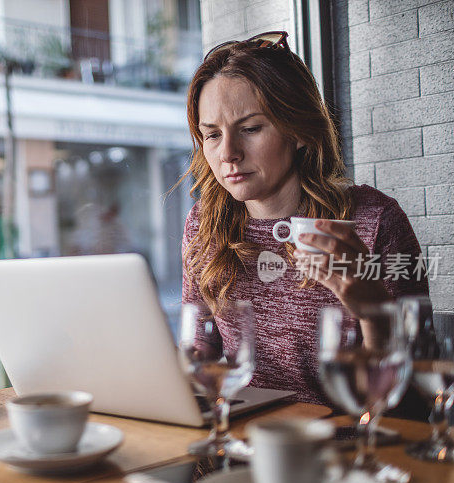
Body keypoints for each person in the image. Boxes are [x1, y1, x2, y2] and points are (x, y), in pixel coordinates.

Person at [178, 32, 429, 408]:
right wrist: (186, 363)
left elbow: (415, 399)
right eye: (212, 135)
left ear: (295, 130)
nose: (228, 153)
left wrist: (375, 315)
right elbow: (202, 346)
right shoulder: (204, 225)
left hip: (344, 452)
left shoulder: (373, 222)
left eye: (250, 129)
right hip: (242, 447)